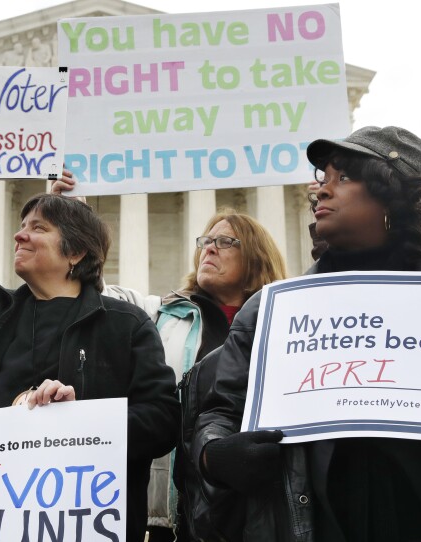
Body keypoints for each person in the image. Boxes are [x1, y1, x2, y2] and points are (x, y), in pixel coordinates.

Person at [193, 126, 421, 540]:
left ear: (395, 196)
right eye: (324, 178)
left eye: (343, 178)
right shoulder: (272, 307)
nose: (321, 190)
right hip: (320, 521)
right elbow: (219, 412)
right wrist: (215, 455)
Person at [0, 170, 180, 542]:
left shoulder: (126, 325)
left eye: (39, 228)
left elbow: (162, 420)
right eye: (21, 225)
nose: (19, 235)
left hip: (81, 524)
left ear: (76, 252)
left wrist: (79, 418)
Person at [53, 174, 288, 541]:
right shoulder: (161, 313)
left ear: (257, 257)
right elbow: (95, 292)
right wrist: (75, 224)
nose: (208, 249)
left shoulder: (283, 327)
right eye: (206, 241)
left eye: (225, 241)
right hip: (171, 513)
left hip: (253, 508)